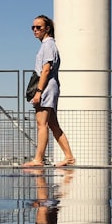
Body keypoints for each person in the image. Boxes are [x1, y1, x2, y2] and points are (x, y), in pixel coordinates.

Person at [23, 15, 75, 167]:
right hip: (51, 87)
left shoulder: (48, 45)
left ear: (47, 28)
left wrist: (39, 92)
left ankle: (38, 159)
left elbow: (45, 70)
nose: (35, 30)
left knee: (42, 124)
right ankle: (69, 157)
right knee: (53, 124)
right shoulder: (48, 45)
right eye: (33, 27)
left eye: (38, 27)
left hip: (46, 87)